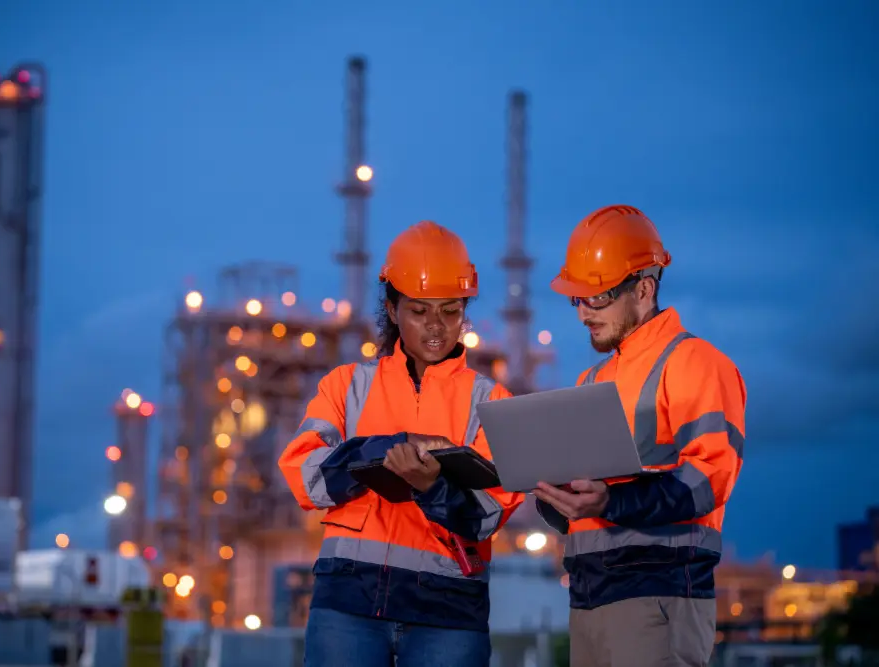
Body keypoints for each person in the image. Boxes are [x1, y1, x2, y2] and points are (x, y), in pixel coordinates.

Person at [278, 220, 524, 667]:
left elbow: (489, 514)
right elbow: (306, 479)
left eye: (451, 311)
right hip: (348, 603)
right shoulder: (345, 386)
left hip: (447, 610)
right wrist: (384, 451)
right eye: (420, 310)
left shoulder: (492, 400)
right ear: (392, 309)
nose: (437, 327)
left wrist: (432, 487)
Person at [533, 205, 746, 667]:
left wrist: (610, 501)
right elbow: (585, 506)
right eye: (578, 300)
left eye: (597, 298)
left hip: (660, 596)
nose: (583, 314)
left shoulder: (694, 363)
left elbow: (710, 477)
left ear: (644, 289)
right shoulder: (590, 381)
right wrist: (556, 496)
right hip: (590, 599)